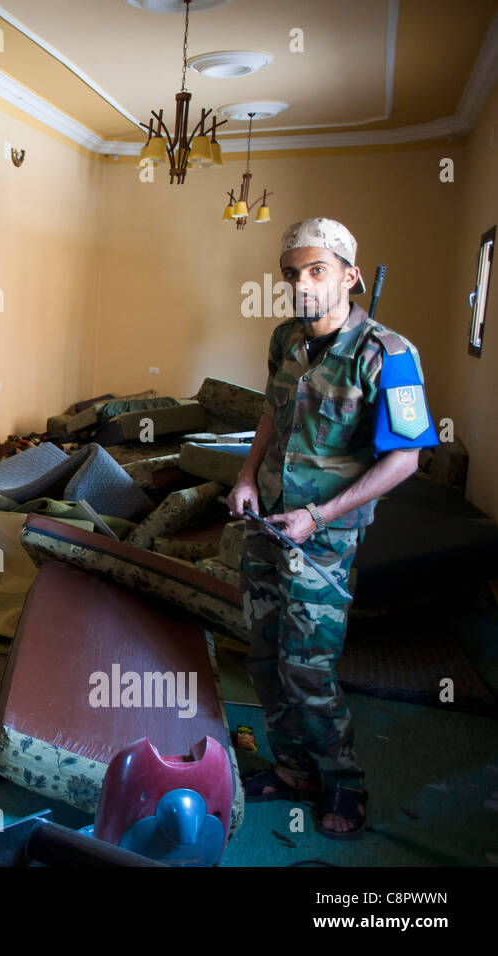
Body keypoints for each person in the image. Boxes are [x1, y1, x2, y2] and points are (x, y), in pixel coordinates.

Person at [226, 218, 438, 840]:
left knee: (308, 666)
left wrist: (319, 515)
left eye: (316, 271)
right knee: (264, 654)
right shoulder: (284, 339)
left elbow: (406, 458)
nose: (301, 285)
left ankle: (343, 780)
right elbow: (271, 408)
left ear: (349, 275)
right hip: (266, 523)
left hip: (323, 537)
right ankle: (292, 770)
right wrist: (245, 476)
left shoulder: (389, 354)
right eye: (293, 274)